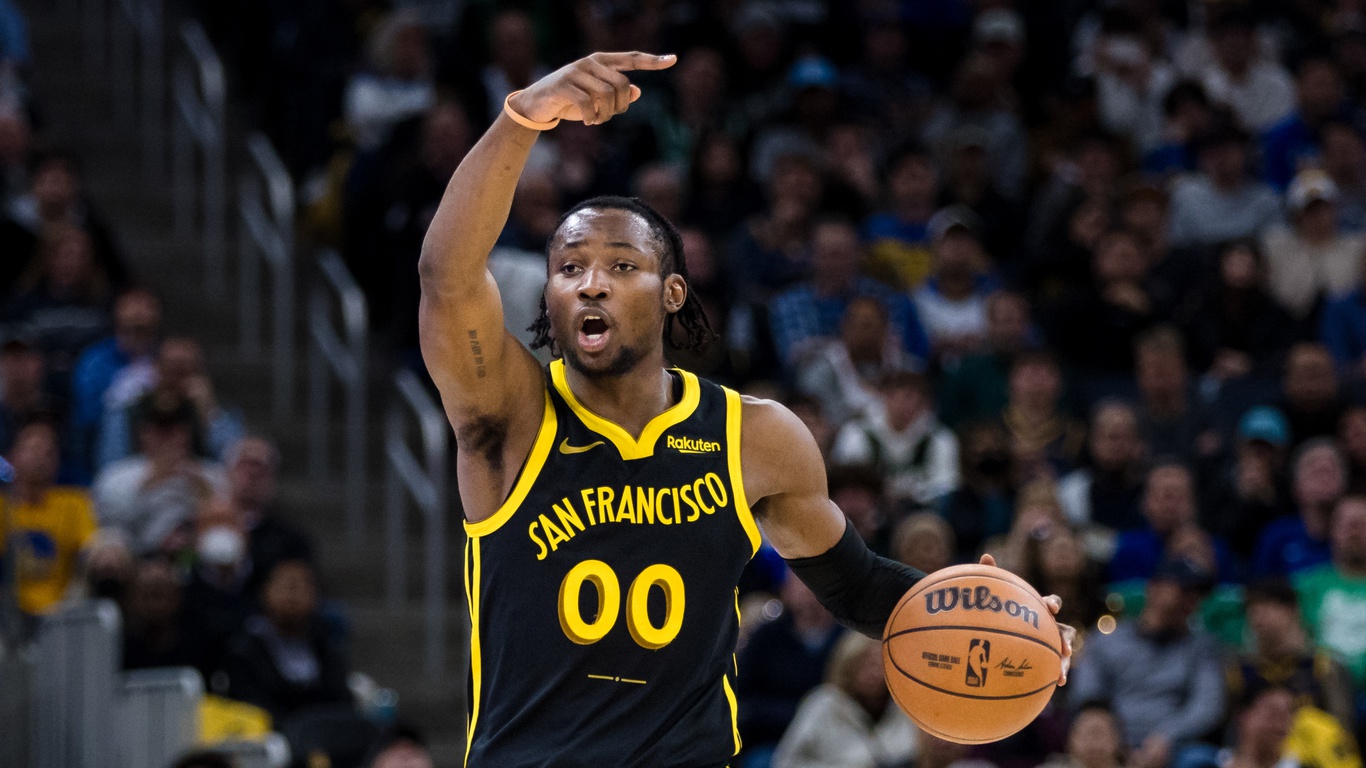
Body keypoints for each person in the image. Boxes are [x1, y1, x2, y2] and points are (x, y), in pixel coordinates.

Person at [415, 53, 1074, 766]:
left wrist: (1002, 625)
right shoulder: (511, 417)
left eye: (621, 266)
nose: (592, 284)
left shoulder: (753, 435)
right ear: (549, 298)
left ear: (671, 294)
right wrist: (521, 119)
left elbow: (854, 584)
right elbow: (446, 277)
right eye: (569, 269)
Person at [1069, 557, 1227, 768]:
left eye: (1196, 595)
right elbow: (1087, 697)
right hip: (1109, 744)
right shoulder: (1107, 641)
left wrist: (1166, 737)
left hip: (1175, 748)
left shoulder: (1201, 648)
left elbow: (1207, 706)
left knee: (1201, 760)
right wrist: (1115, 743)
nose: (1190, 602)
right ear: (1155, 588)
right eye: (1183, 591)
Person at [222, 558, 352, 724]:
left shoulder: (327, 645)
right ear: (264, 592)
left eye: (301, 586)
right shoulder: (243, 650)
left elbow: (343, 704)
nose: (292, 594)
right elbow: (249, 707)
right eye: (284, 585)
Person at [736, 573, 844, 763]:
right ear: (786, 589)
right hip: (772, 740)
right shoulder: (767, 636)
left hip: (834, 741)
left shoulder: (847, 639)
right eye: (802, 583)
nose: (810, 591)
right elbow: (743, 698)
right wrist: (799, 715)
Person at [770, 633, 917, 768]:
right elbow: (785, 762)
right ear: (848, 664)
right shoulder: (822, 704)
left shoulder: (905, 710)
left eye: (881, 665)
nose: (873, 673)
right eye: (866, 663)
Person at [0, 417, 96, 618]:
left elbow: (92, 552)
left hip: (63, 616)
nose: (41, 457)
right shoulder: (3, 507)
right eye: (33, 448)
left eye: (49, 451)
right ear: (13, 456)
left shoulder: (75, 502)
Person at [1254, 439, 1347, 577]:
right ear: (1295, 487)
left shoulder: (1359, 534)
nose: (1324, 469)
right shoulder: (1277, 537)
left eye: (1332, 466)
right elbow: (1260, 592)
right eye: (1312, 466)